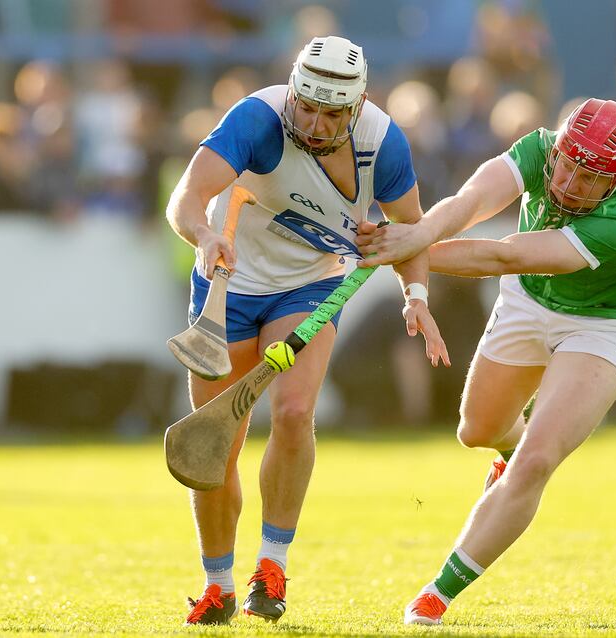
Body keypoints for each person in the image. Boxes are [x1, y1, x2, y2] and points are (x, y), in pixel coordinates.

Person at [165, 35, 449, 626]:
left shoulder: (382, 143)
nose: (316, 123)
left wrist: (415, 295)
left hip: (311, 286)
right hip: (229, 282)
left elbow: (411, 232)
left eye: (333, 112)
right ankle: (216, 583)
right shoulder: (257, 119)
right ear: (293, 92)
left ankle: (271, 567)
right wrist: (204, 234)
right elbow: (185, 197)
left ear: (358, 104)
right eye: (307, 105)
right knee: (216, 444)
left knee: (294, 412)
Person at [356, 98, 616, 625]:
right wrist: (411, 238)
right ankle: (513, 456)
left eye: (590, 177)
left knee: (537, 461)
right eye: (567, 163)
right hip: (529, 301)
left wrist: (403, 250)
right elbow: (470, 200)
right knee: (477, 430)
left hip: (604, 324)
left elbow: (507, 254)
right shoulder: (538, 148)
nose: (569, 183)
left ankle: (437, 594)